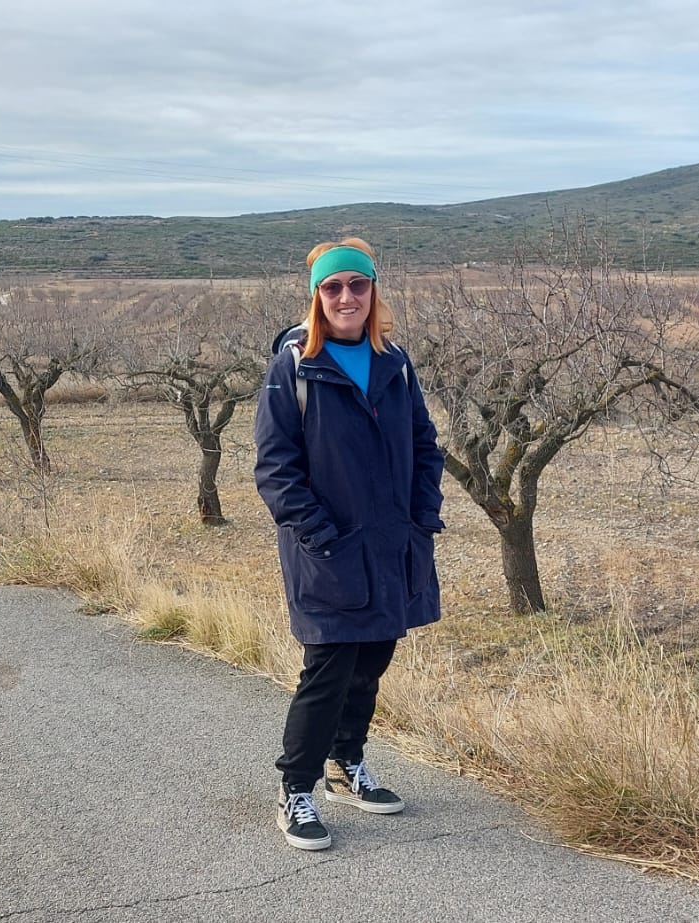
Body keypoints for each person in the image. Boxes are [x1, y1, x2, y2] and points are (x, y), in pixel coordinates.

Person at [253, 238, 446, 851]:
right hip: (328, 550)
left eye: (356, 286)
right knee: (329, 668)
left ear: (373, 292)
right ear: (316, 295)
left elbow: (424, 445)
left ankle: (346, 764)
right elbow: (275, 467)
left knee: (371, 662)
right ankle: (297, 791)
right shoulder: (294, 367)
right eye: (332, 288)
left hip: (391, 547)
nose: (345, 297)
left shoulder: (396, 362)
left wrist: (423, 515)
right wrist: (318, 533)